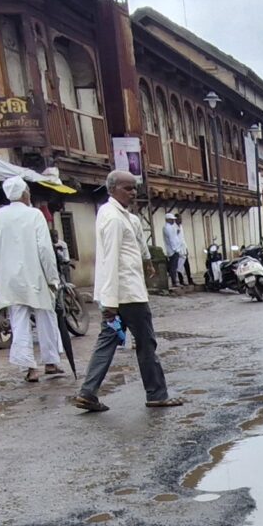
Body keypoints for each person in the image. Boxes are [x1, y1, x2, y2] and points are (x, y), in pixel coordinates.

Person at [72, 171, 180, 413]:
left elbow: (137, 240)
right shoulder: (112, 218)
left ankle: (88, 392)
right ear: (112, 189)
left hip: (122, 293)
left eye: (134, 188)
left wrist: (147, 260)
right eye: (127, 188)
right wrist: (109, 302)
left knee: (107, 341)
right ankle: (157, 393)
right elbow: (109, 260)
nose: (133, 193)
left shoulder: (124, 216)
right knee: (145, 343)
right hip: (126, 294)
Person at [0, 176, 66, 383]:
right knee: (46, 317)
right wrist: (52, 277)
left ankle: (29, 368)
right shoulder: (34, 215)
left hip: (10, 277)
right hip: (35, 275)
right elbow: (45, 249)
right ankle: (50, 362)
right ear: (24, 194)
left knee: (19, 321)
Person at [160, 211, 189, 290]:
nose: (173, 221)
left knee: (175, 266)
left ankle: (176, 281)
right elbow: (172, 240)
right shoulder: (167, 228)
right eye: (172, 219)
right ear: (168, 219)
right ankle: (174, 282)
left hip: (175, 249)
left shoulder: (170, 227)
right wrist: (177, 249)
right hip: (173, 250)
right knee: (173, 267)